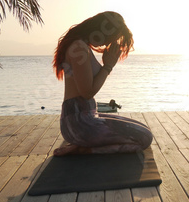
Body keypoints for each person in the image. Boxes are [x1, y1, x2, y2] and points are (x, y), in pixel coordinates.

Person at [52, 11, 153, 156]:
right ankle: (85, 149)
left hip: (85, 117)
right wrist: (108, 66)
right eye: (111, 38)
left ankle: (82, 146)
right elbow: (87, 92)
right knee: (145, 138)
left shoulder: (81, 45)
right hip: (79, 124)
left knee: (143, 129)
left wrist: (107, 65)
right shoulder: (79, 47)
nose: (107, 43)